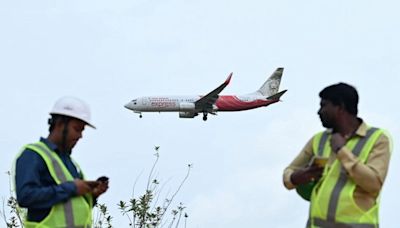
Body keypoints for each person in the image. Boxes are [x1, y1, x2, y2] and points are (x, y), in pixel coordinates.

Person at [283, 83, 392, 228]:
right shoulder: (319, 140)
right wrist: (299, 176)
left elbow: (373, 184)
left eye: (324, 105)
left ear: (340, 107)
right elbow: (288, 174)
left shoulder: (378, 139)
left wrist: (341, 150)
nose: (319, 112)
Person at [14, 96, 109, 228]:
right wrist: (72, 188)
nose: (80, 136)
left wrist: (92, 196)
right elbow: (26, 197)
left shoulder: (70, 163)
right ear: (59, 124)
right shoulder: (33, 155)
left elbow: (69, 209)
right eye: (77, 129)